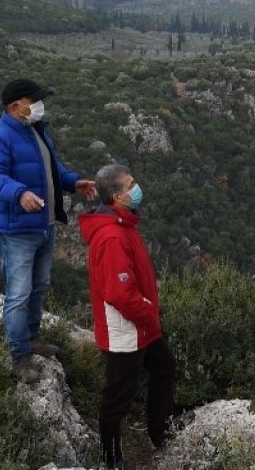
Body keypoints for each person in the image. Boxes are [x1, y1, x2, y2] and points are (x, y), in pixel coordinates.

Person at [0, 78, 97, 383]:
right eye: (34, 101)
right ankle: (18, 355)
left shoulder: (35, 131)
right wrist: (19, 193)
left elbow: (51, 170)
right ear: (15, 107)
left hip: (43, 225)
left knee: (39, 285)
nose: (40, 106)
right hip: (16, 229)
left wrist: (74, 182)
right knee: (19, 292)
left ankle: (31, 338)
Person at [80, 164, 176, 470]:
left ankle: (161, 432)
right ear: (117, 197)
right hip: (126, 328)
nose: (137, 188)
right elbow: (119, 294)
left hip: (142, 325)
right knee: (117, 397)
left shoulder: (123, 224)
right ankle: (111, 460)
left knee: (164, 368)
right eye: (131, 185)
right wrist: (148, 311)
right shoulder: (112, 237)